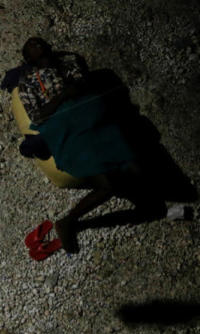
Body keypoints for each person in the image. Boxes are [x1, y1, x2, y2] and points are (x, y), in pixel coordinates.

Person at [9, 38, 156, 253]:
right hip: (64, 126)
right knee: (108, 185)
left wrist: (70, 95)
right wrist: (62, 98)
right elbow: (38, 116)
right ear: (28, 59)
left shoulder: (67, 62)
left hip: (89, 115)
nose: (38, 44)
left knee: (135, 169)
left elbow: (84, 86)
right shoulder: (27, 83)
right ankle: (69, 221)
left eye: (40, 42)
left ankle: (133, 195)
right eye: (32, 46)